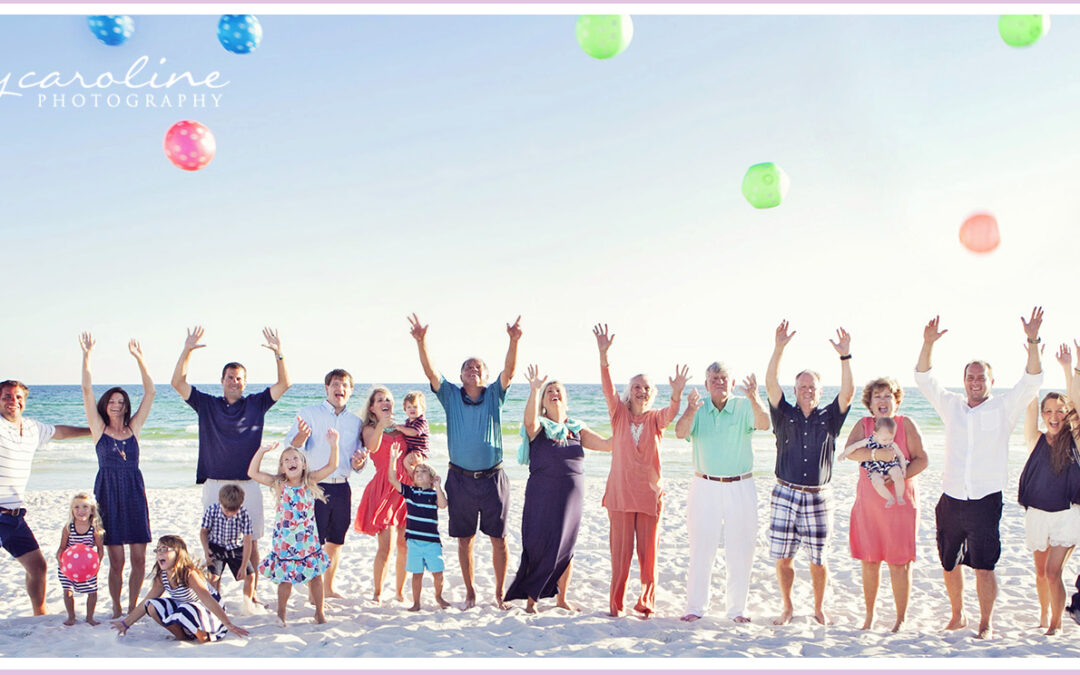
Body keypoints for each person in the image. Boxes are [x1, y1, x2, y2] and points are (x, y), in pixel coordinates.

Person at [915, 310, 1044, 639]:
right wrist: (928, 343)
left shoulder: (1003, 407)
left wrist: (1032, 341)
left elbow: (1032, 380)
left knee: (985, 566)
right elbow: (923, 378)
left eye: (980, 378)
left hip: (985, 499)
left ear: (990, 381)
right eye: (970, 377)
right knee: (948, 562)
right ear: (964, 381)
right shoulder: (952, 406)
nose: (975, 382)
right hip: (951, 498)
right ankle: (957, 615)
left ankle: (985, 622)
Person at [408, 313, 522, 610]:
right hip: (459, 479)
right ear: (461, 377)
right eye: (468, 367)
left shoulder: (495, 394)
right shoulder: (450, 396)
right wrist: (422, 341)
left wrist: (513, 340)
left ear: (485, 375)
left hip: (493, 478)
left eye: (478, 367)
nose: (473, 370)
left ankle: (499, 593)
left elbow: (509, 371)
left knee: (499, 539)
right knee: (465, 539)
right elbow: (432, 373)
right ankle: (471, 592)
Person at [171, 325, 291, 604]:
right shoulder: (207, 404)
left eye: (239, 378)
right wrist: (187, 350)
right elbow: (177, 383)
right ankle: (215, 596)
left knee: (252, 540)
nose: (234, 381)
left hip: (249, 483)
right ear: (222, 380)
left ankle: (251, 596)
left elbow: (284, 385)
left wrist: (279, 354)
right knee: (214, 543)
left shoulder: (256, 403)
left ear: (245, 382)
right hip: (215, 482)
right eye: (230, 377)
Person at [593, 323, 689, 618]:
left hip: (649, 497)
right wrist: (604, 356)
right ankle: (616, 604)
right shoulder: (618, 414)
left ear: (652, 394)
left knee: (648, 556)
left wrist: (677, 394)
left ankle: (646, 602)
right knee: (620, 556)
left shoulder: (656, 419)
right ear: (629, 392)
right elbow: (608, 390)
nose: (641, 391)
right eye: (637, 387)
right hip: (621, 497)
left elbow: (672, 414)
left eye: (647, 388)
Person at [764, 320, 854, 625]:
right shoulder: (783, 414)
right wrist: (778, 348)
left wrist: (845, 357)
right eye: (802, 387)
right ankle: (787, 607)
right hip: (785, 493)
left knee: (819, 559)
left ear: (819, 392)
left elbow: (849, 392)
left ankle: (818, 607)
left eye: (811, 387)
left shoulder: (830, 417)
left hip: (819, 497)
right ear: (795, 390)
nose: (807, 391)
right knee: (784, 557)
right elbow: (770, 384)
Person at [506, 365, 612, 613]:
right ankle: (532, 600)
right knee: (538, 543)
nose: (554, 393)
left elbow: (608, 445)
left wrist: (627, 419)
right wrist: (534, 390)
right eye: (549, 391)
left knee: (566, 546)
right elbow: (528, 421)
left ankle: (562, 598)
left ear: (566, 399)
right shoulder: (539, 427)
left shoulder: (577, 428)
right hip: (542, 493)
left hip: (571, 495)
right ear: (543, 401)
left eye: (558, 390)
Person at [674, 363, 770, 623]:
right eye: (714, 378)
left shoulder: (743, 405)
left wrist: (755, 397)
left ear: (732, 381)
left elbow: (764, 424)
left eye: (724, 378)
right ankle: (694, 607)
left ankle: (737, 610)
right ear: (706, 384)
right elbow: (680, 432)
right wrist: (690, 409)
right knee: (701, 548)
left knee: (741, 548)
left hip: (741, 485)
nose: (719, 382)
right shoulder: (699, 407)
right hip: (704, 485)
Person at [841, 377, 928, 632]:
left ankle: (900, 619)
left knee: (899, 563)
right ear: (869, 402)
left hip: (900, 504)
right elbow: (849, 452)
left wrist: (899, 474)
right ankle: (870, 616)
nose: (882, 401)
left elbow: (922, 460)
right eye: (877, 396)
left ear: (896, 401)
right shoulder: (864, 424)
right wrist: (877, 455)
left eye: (887, 396)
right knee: (869, 560)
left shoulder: (906, 424)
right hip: (868, 504)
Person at [78, 332, 155, 619]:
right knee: (117, 560)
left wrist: (140, 359)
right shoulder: (99, 429)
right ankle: (117, 606)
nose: (117, 404)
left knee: (138, 558)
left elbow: (151, 393)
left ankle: (133, 603)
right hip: (108, 494)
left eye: (121, 401)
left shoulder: (134, 429)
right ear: (105, 404)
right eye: (112, 400)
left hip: (134, 492)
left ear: (126, 406)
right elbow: (86, 391)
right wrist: (87, 355)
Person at [1, 379, 89, 615]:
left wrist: (93, 431)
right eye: (7, 396)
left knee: (38, 567)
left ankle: (38, 615)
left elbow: (60, 432)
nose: (13, 401)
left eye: (18, 397)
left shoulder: (32, 428)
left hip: (14, 516)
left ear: (24, 402)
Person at [287, 368, 367, 599]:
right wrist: (300, 438)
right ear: (326, 388)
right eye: (335, 384)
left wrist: (359, 463)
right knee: (315, 542)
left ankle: (328, 588)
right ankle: (315, 591)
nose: (339, 389)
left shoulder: (355, 422)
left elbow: (358, 463)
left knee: (336, 540)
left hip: (342, 487)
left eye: (344, 385)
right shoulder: (309, 413)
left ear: (350, 391)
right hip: (315, 486)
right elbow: (291, 447)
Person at [1019, 342, 1080, 636]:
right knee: (1042, 573)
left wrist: (1071, 368)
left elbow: (1078, 404)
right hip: (1038, 513)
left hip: (1067, 516)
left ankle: (1055, 625)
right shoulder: (1036, 438)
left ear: (1067, 414)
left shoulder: (1076, 439)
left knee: (1053, 572)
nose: (1053, 416)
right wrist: (1034, 354)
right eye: (1048, 411)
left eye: (1059, 411)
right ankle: (1044, 613)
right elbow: (1030, 398)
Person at [248, 434, 337, 626]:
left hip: (307, 540)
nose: (291, 461)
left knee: (315, 576)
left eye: (295, 458)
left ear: (303, 464)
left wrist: (334, 445)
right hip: (286, 542)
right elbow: (253, 473)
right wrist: (262, 451)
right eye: (286, 460)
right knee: (286, 580)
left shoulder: (309, 481)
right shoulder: (279, 484)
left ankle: (319, 613)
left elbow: (332, 467)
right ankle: (281, 614)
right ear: (282, 468)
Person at [110, 535, 248, 642]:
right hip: (185, 610)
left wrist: (228, 624)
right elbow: (146, 602)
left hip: (207, 610)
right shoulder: (162, 576)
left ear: (178, 554)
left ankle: (203, 635)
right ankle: (182, 637)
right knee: (151, 606)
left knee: (184, 609)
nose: (159, 553)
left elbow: (207, 598)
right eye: (157, 550)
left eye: (164, 549)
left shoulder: (189, 574)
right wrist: (125, 624)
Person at [352, 386, 416, 603]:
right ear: (372, 407)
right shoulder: (369, 429)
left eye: (388, 399)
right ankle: (377, 593)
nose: (385, 402)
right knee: (386, 546)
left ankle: (399, 592)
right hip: (384, 486)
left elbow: (418, 447)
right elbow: (372, 447)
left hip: (406, 486)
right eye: (380, 400)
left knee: (405, 544)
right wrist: (381, 425)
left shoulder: (402, 428)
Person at [387, 443, 450, 611]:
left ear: (431, 478)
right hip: (414, 542)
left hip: (432, 542)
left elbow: (443, 505)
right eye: (417, 472)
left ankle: (438, 596)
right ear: (413, 478)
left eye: (424, 471)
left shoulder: (433, 494)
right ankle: (416, 603)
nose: (419, 474)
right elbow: (393, 479)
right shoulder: (410, 492)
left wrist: (438, 487)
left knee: (438, 573)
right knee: (417, 574)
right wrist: (393, 459)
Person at [56, 492, 104, 626]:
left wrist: (97, 565)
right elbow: (62, 547)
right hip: (68, 567)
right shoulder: (68, 528)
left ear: (91, 510)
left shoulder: (94, 529)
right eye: (76, 507)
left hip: (87, 567)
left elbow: (100, 549)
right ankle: (71, 616)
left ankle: (90, 617)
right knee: (68, 591)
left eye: (85, 507)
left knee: (92, 592)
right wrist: (59, 558)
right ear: (72, 510)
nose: (81, 511)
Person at [199, 484, 255, 601]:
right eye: (227, 510)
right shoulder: (212, 510)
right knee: (213, 578)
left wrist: (243, 566)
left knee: (250, 576)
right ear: (220, 502)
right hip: (216, 547)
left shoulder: (244, 514)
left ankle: (248, 604)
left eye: (234, 510)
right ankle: (215, 603)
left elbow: (248, 541)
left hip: (236, 547)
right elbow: (204, 532)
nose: (230, 513)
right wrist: (206, 549)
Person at [841, 417, 908, 508]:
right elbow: (855, 446)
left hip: (891, 464)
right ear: (875, 434)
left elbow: (900, 456)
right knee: (876, 482)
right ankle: (889, 498)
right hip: (875, 467)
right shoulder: (868, 441)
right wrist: (844, 454)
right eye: (885, 440)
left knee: (898, 475)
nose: (887, 442)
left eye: (891, 438)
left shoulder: (892, 444)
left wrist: (903, 468)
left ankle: (899, 496)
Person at [395, 391, 430, 460]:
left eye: (415, 407)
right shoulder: (408, 421)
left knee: (406, 462)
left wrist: (401, 428)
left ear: (422, 409)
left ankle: (412, 471)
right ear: (405, 409)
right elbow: (406, 428)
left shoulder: (421, 421)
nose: (412, 409)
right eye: (409, 407)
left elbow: (413, 432)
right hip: (411, 451)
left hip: (419, 452)